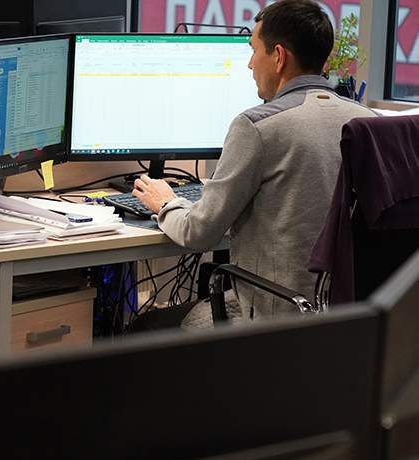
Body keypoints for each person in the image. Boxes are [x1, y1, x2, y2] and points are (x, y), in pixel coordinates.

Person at [131, 0, 376, 327]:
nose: (249, 64)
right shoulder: (367, 122)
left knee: (143, 326)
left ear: (279, 57)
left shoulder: (259, 126)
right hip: (348, 316)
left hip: (273, 316)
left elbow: (198, 232)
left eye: (253, 50)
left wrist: (165, 203)